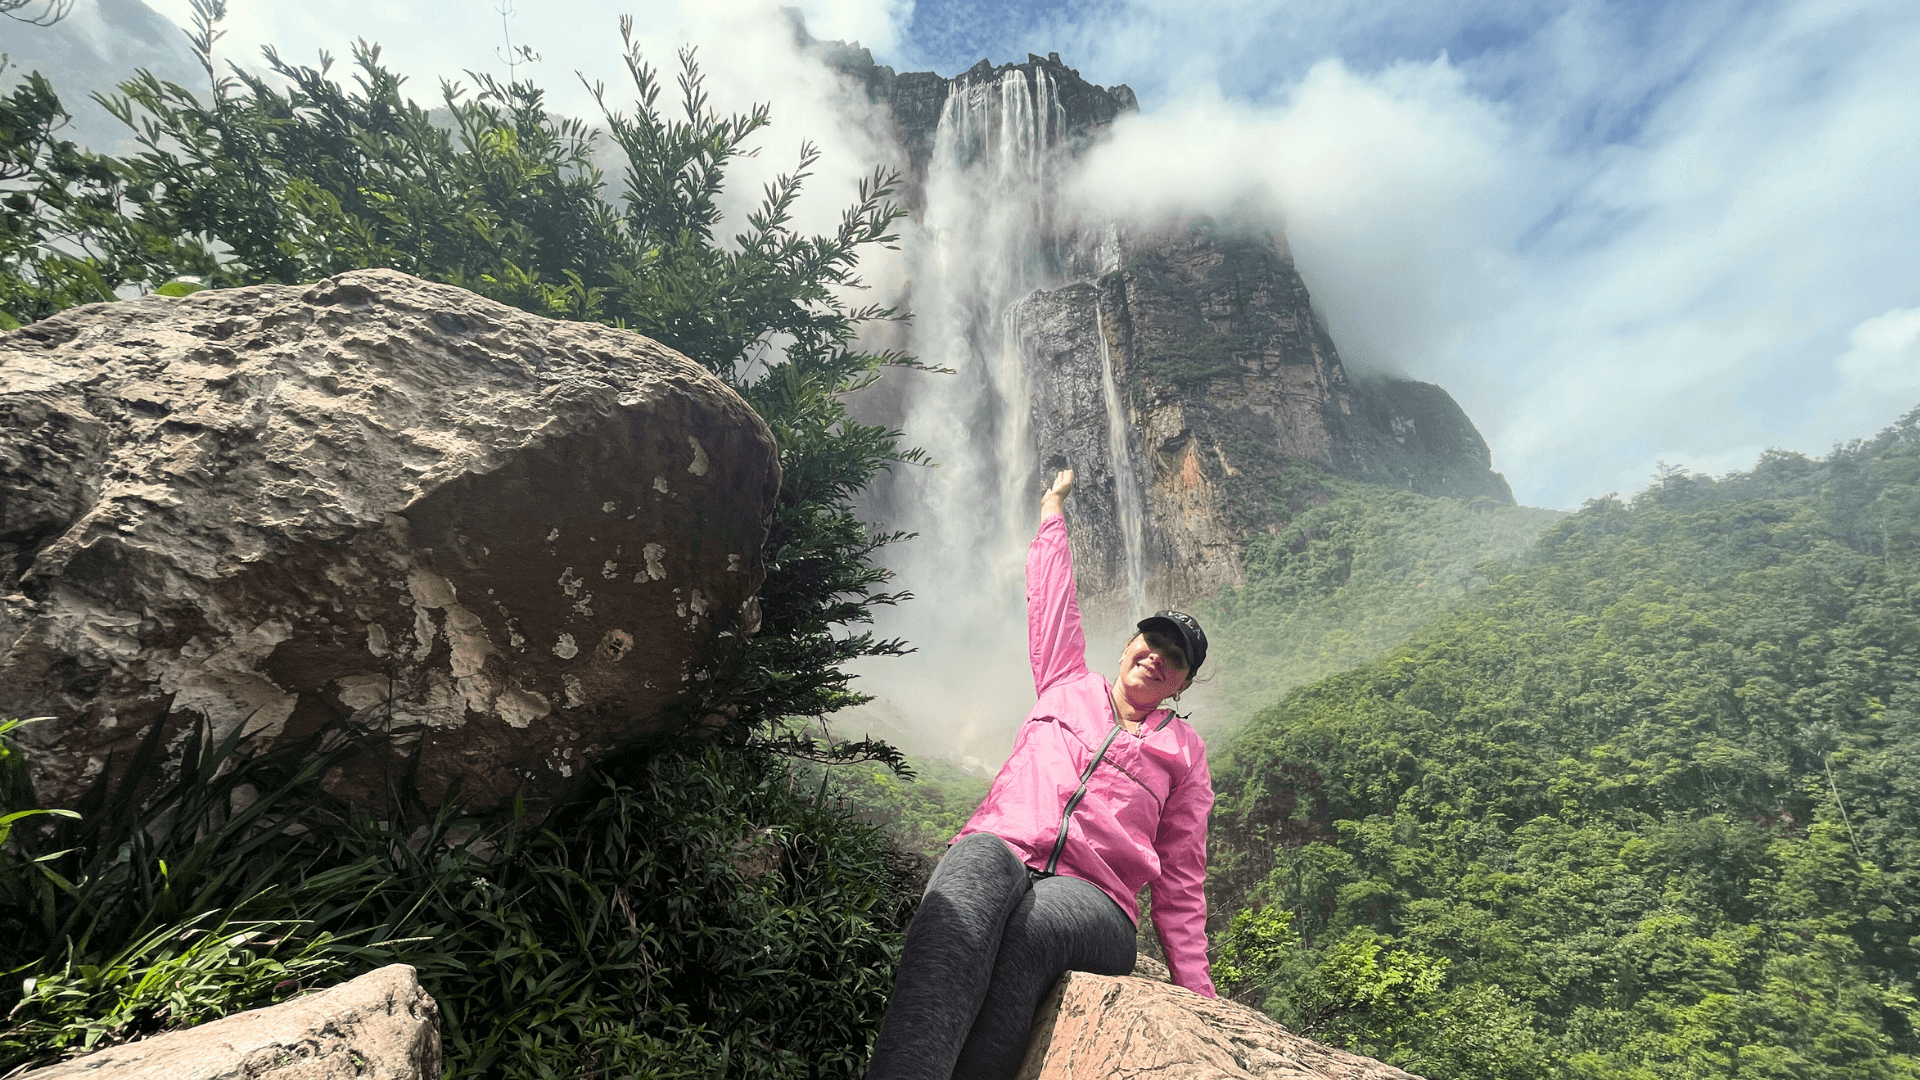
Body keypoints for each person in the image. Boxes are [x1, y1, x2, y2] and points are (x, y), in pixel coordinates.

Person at [866, 467, 1216, 1080]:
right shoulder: (1065, 680)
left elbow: (1182, 879)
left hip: (1099, 901)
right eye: (1151, 639)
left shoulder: (1185, 754)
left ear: (1183, 683)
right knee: (966, 882)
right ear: (1128, 644)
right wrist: (1053, 508)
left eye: (1176, 656)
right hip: (1007, 846)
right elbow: (1052, 598)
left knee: (1031, 932)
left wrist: (1198, 998)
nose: (1158, 655)